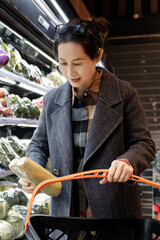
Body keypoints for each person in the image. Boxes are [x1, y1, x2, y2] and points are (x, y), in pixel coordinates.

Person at [19, 17, 155, 239]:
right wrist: (32, 170)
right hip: (66, 213)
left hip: (113, 213)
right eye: (63, 63)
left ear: (97, 56)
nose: (70, 72)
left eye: (78, 62)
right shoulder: (53, 99)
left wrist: (128, 161)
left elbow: (144, 144)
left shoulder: (124, 94)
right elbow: (38, 144)